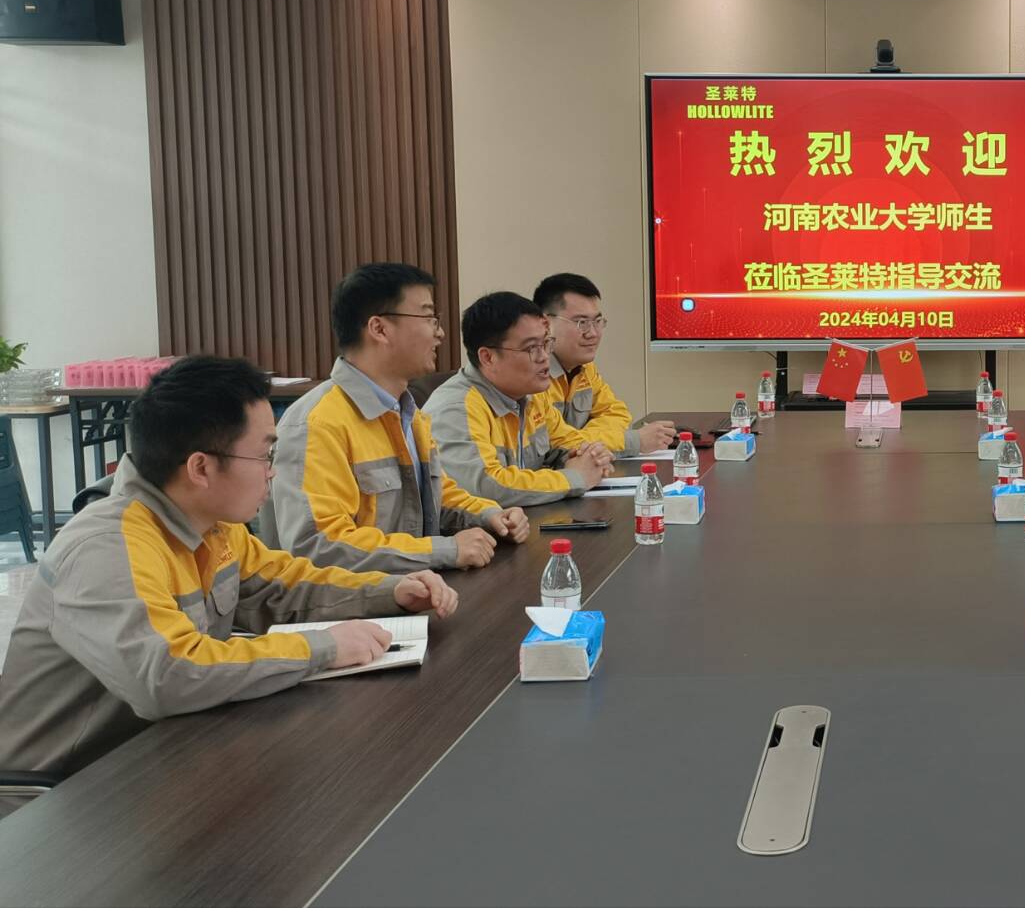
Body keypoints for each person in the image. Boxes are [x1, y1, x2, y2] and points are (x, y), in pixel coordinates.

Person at [0, 357, 459, 801]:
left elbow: (283, 585)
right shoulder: (107, 547)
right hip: (60, 795)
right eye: (264, 454)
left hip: (164, 756)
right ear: (201, 468)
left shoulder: (213, 523)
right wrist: (323, 647)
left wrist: (391, 590)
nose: (272, 471)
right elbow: (166, 674)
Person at [271, 263, 530, 572]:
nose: (440, 332)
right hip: (363, 600)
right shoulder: (317, 424)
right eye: (429, 318)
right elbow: (319, 546)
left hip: (415, 588)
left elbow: (437, 496)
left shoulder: (407, 412)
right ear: (379, 329)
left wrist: (489, 515)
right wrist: (443, 550)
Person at [425, 292, 614, 508]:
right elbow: (487, 486)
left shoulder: (530, 396)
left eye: (546, 343)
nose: (544, 357)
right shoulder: (457, 409)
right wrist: (574, 478)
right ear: (488, 357)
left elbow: (566, 442)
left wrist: (590, 456)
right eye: (532, 348)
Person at [534, 272, 677, 455]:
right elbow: (556, 444)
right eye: (581, 322)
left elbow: (617, 414)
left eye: (597, 321)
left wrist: (584, 439)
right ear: (545, 324)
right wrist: (632, 441)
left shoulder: (584, 368)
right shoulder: (533, 374)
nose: (593, 333)